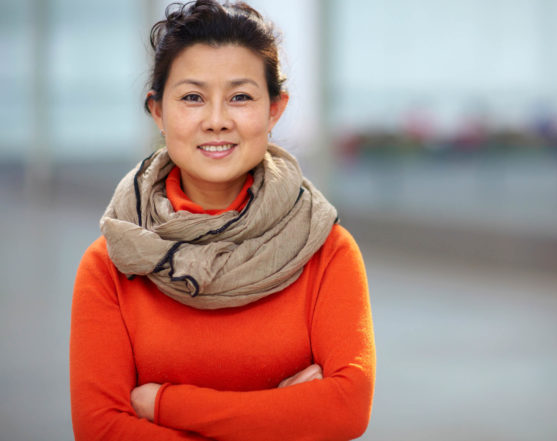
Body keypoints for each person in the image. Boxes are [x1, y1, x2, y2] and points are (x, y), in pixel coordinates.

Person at [68, 1, 376, 440]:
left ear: (274, 109)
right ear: (158, 111)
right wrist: (284, 416)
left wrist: (162, 404)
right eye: (192, 97)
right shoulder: (112, 264)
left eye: (241, 97)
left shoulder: (325, 250)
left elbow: (346, 409)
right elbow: (100, 430)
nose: (216, 121)